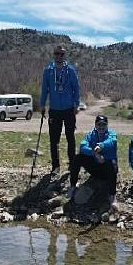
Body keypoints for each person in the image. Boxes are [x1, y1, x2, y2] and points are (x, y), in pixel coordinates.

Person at [40, 45, 80, 174]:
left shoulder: (70, 70)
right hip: (54, 110)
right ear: (54, 54)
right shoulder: (48, 70)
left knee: (70, 138)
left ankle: (72, 164)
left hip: (69, 109)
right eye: (57, 54)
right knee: (54, 139)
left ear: (64, 55)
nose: (59, 56)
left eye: (61, 54)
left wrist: (76, 104)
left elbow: (76, 88)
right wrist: (42, 105)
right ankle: (55, 166)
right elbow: (45, 89)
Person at [68, 115, 118, 207]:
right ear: (95, 125)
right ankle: (72, 186)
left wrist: (101, 146)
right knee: (78, 157)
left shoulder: (112, 134)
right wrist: (94, 153)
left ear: (107, 125)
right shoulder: (91, 135)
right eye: (99, 124)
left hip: (107, 170)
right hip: (95, 168)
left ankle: (112, 195)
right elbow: (82, 146)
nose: (101, 127)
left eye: (104, 124)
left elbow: (112, 142)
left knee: (112, 163)